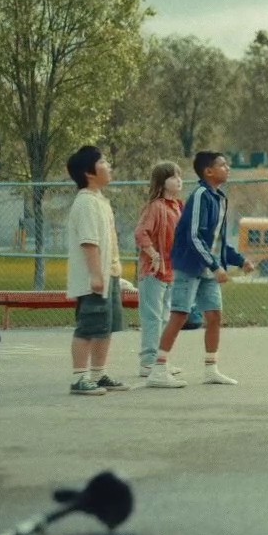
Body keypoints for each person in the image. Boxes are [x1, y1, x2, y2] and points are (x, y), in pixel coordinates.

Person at [154, 151, 253, 384]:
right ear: (208, 171)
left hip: (208, 267)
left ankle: (211, 370)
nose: (228, 168)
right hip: (190, 265)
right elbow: (194, 236)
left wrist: (240, 260)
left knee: (214, 315)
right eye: (223, 165)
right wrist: (215, 266)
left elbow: (217, 240)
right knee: (180, 314)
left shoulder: (219, 198)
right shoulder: (200, 195)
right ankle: (158, 370)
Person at [64, 145, 133, 397]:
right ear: (89, 172)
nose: (108, 166)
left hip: (109, 275)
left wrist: (113, 274)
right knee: (88, 327)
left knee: (105, 327)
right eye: (103, 162)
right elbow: (89, 242)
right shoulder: (86, 202)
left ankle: (98, 374)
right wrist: (95, 275)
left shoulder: (100, 201)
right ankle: (79, 378)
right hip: (95, 278)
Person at [134, 160, 187, 388]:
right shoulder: (155, 207)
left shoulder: (177, 206)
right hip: (153, 272)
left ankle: (160, 361)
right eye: (173, 176)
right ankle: (148, 361)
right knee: (153, 317)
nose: (179, 180)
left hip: (171, 272)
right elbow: (141, 233)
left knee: (165, 317)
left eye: (179, 176)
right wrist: (153, 254)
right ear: (162, 182)